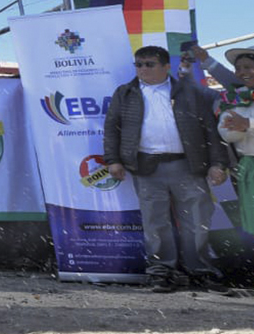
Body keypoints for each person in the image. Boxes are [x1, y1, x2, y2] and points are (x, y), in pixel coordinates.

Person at [103, 45, 229, 293]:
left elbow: (210, 131)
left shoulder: (191, 92)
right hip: (145, 166)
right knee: (155, 223)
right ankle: (162, 272)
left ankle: (201, 271)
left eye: (149, 64)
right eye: (138, 64)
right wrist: (113, 160)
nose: (142, 69)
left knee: (196, 221)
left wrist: (218, 163)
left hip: (187, 164)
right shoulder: (125, 93)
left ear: (165, 66)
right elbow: (111, 128)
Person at [212, 47, 254, 235]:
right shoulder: (234, 98)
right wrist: (236, 127)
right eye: (238, 68)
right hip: (248, 167)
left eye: (248, 67)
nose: (243, 72)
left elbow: (243, 125)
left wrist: (247, 124)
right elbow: (227, 133)